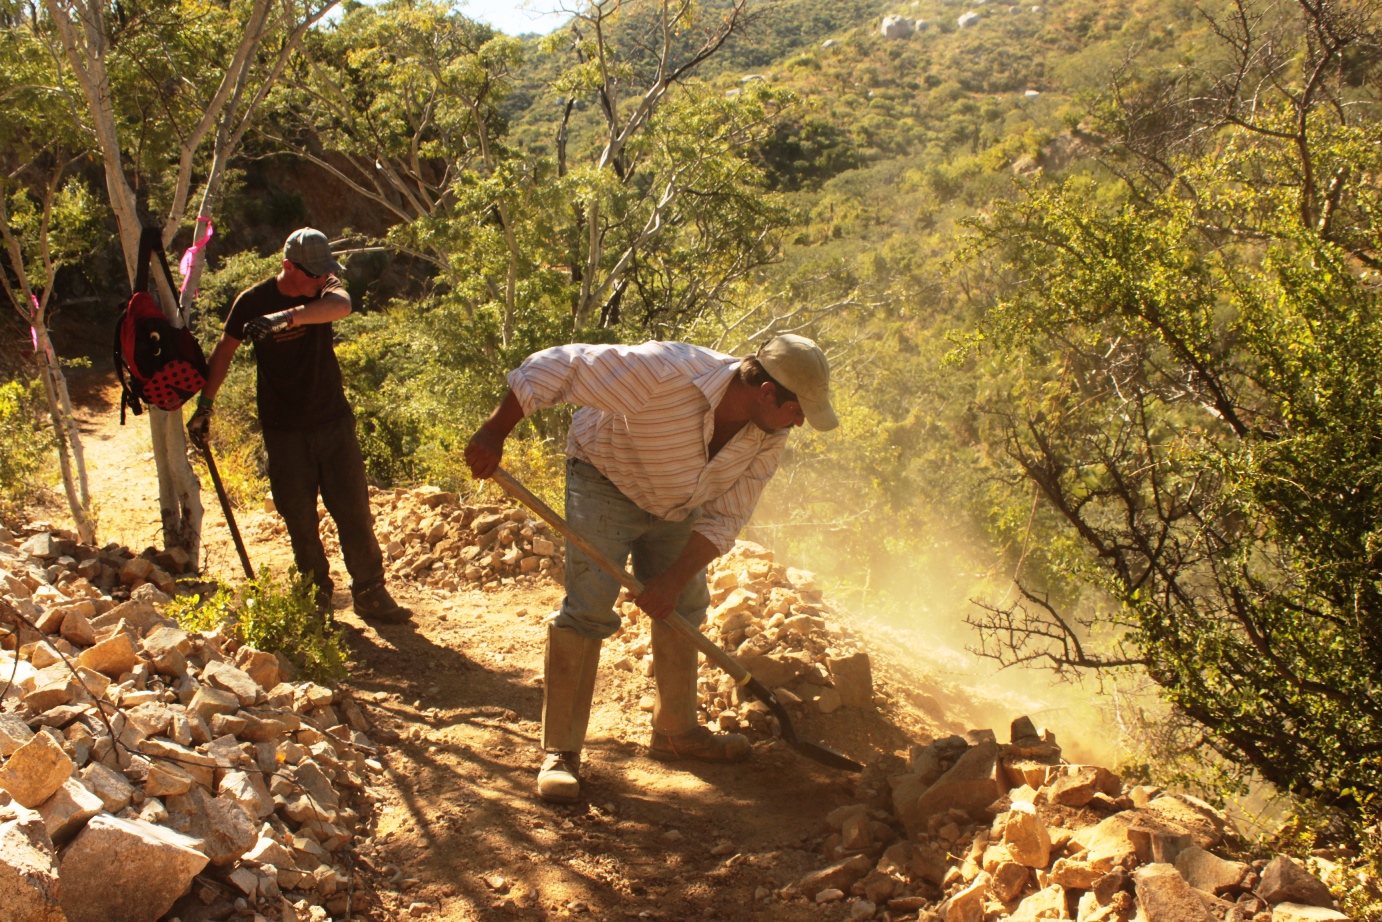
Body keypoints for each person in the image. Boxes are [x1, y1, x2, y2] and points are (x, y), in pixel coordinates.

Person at [465, 335, 838, 803]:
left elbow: (728, 516)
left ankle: (675, 732)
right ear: (767, 393)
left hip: (681, 506)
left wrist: (672, 579)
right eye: (797, 408)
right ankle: (560, 752)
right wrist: (494, 431)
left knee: (683, 603)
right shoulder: (665, 372)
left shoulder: (770, 434)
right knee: (589, 608)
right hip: (604, 480)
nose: (800, 421)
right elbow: (552, 366)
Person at [188, 228, 409, 625]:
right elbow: (224, 351)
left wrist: (286, 318)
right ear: (288, 266)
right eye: (313, 274)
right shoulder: (252, 301)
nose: (321, 279)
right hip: (284, 429)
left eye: (325, 272)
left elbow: (340, 306)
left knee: (353, 510)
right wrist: (205, 405)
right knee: (299, 517)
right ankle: (316, 596)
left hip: (333, 421)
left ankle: (370, 592)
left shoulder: (325, 287)